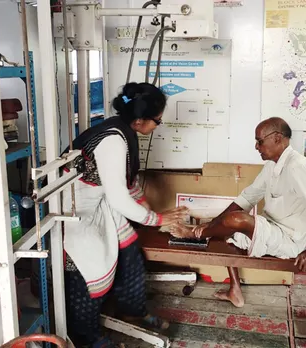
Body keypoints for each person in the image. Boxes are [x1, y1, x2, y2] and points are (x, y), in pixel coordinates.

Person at [62, 82, 188, 348]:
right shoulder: (112, 140)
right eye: (158, 121)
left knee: (130, 251)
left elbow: (128, 185)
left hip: (99, 204)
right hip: (71, 212)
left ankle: (133, 308)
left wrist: (153, 215)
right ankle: (89, 337)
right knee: (86, 271)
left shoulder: (124, 130)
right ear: (140, 120)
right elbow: (119, 197)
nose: (157, 125)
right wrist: (157, 220)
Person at [169, 117, 306, 308]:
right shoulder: (272, 165)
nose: (256, 146)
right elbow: (246, 199)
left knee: (234, 220)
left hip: (291, 240)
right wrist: (212, 223)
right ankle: (235, 291)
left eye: (260, 141)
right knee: (224, 226)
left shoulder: (297, 166)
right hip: (273, 228)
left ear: (277, 138)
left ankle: (194, 235)